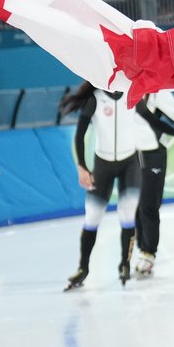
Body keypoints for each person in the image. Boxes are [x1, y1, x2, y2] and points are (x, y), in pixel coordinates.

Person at [58, 82, 147, 290]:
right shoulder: (94, 99)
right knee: (92, 218)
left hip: (130, 163)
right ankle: (83, 268)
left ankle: (124, 263)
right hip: (103, 165)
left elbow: (153, 120)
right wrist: (82, 167)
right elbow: (79, 135)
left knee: (127, 214)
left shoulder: (131, 94)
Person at [131, 92, 174, 278]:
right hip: (132, 154)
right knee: (136, 206)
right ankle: (142, 249)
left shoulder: (156, 90)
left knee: (148, 205)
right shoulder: (124, 87)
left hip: (153, 153)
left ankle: (149, 252)